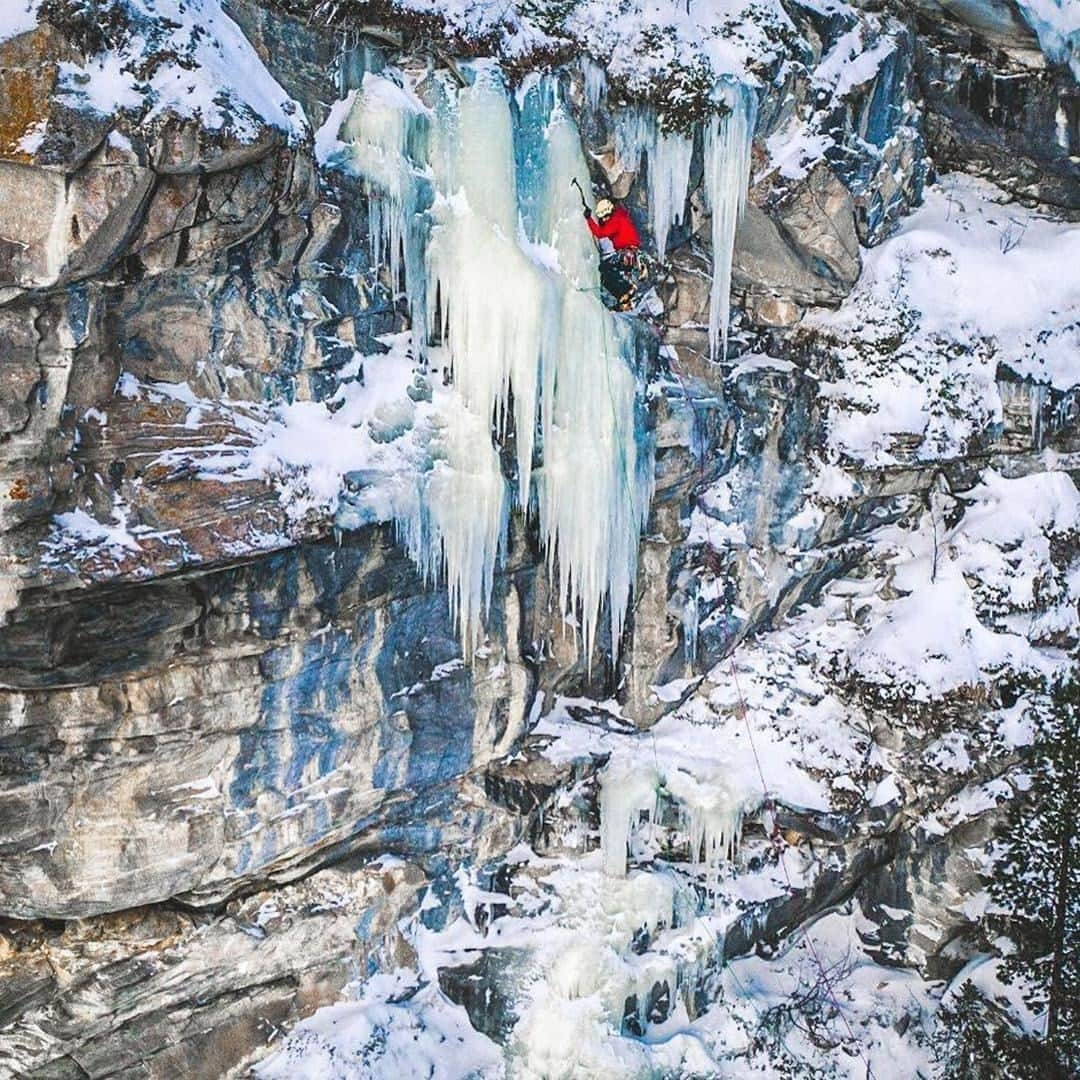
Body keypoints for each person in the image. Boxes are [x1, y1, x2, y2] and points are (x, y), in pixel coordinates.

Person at [583, 198, 642, 309]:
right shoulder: (620, 216)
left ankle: (626, 289)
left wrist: (588, 219)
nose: (604, 220)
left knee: (605, 268)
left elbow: (600, 233)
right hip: (630, 253)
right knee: (610, 271)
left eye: (605, 217)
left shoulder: (616, 220)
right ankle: (624, 295)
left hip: (626, 253)